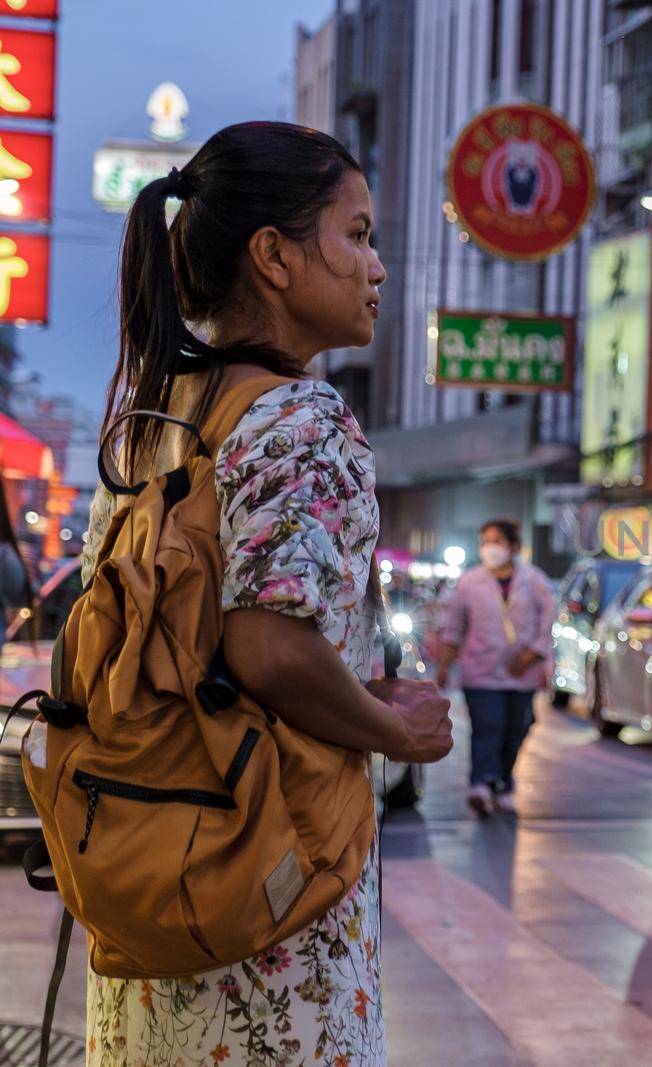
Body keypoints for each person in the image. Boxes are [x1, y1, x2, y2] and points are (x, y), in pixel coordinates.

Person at [78, 122, 453, 1064]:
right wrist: (394, 726)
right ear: (276, 257)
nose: (377, 266)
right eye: (358, 235)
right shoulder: (305, 418)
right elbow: (272, 646)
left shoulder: (151, 424)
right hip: (267, 920)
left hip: (153, 900)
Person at [437, 518, 556, 816]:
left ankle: (503, 782)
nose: (490, 548)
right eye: (485, 541)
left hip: (522, 674)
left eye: (497, 542)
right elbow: (454, 627)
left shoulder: (535, 581)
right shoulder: (469, 582)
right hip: (480, 670)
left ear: (513, 547)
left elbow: (547, 623)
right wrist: (444, 663)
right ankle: (481, 783)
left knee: (516, 729)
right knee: (487, 727)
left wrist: (533, 655)